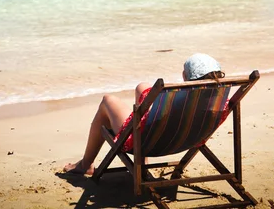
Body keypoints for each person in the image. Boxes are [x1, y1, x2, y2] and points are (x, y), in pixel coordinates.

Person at [63, 53, 223, 175]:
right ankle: (142, 165)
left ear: (184, 76)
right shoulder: (218, 103)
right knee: (143, 87)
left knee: (108, 100)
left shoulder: (181, 98)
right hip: (186, 140)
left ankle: (85, 165)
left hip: (147, 143)